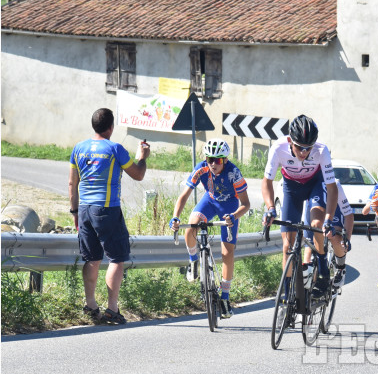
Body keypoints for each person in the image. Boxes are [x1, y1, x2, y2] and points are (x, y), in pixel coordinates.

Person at [69, 107, 150, 325]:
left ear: (93, 125)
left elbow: (72, 183)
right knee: (116, 257)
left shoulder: (78, 148)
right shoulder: (115, 148)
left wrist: (75, 211)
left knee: (92, 258)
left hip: (85, 209)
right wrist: (142, 157)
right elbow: (138, 175)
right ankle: (112, 309)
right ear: (111, 127)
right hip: (107, 210)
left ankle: (90, 305)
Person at [169, 139, 250, 319]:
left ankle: (225, 298)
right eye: (210, 159)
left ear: (225, 160)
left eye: (218, 160)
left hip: (229, 207)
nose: (213, 164)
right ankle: (194, 261)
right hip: (210, 201)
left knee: (227, 253)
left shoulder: (234, 173)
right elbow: (184, 196)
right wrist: (175, 216)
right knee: (191, 227)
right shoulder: (202, 168)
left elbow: (246, 204)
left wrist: (234, 216)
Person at [262, 114, 338, 299]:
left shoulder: (321, 150)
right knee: (287, 244)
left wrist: (329, 218)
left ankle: (322, 266)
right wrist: (270, 208)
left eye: (308, 148)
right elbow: (266, 182)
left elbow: (331, 187)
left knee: (316, 224)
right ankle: (288, 294)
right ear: (290, 141)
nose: (304, 153)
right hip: (291, 188)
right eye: (299, 147)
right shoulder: (278, 148)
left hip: (314, 185)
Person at [302, 179, 354, 288]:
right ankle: (307, 294)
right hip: (313, 211)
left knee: (335, 238)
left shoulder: (335, 183)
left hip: (334, 211)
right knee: (307, 255)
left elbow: (348, 214)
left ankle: (340, 267)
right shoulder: (305, 180)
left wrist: (347, 239)